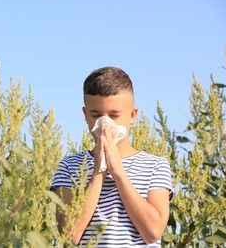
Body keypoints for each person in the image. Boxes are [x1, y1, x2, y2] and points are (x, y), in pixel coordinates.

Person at [50, 66, 174, 247]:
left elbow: (153, 232)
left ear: (132, 115)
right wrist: (98, 172)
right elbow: (69, 236)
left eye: (114, 115)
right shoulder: (69, 166)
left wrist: (118, 173)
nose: (105, 123)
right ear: (85, 115)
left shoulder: (155, 165)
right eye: (96, 115)